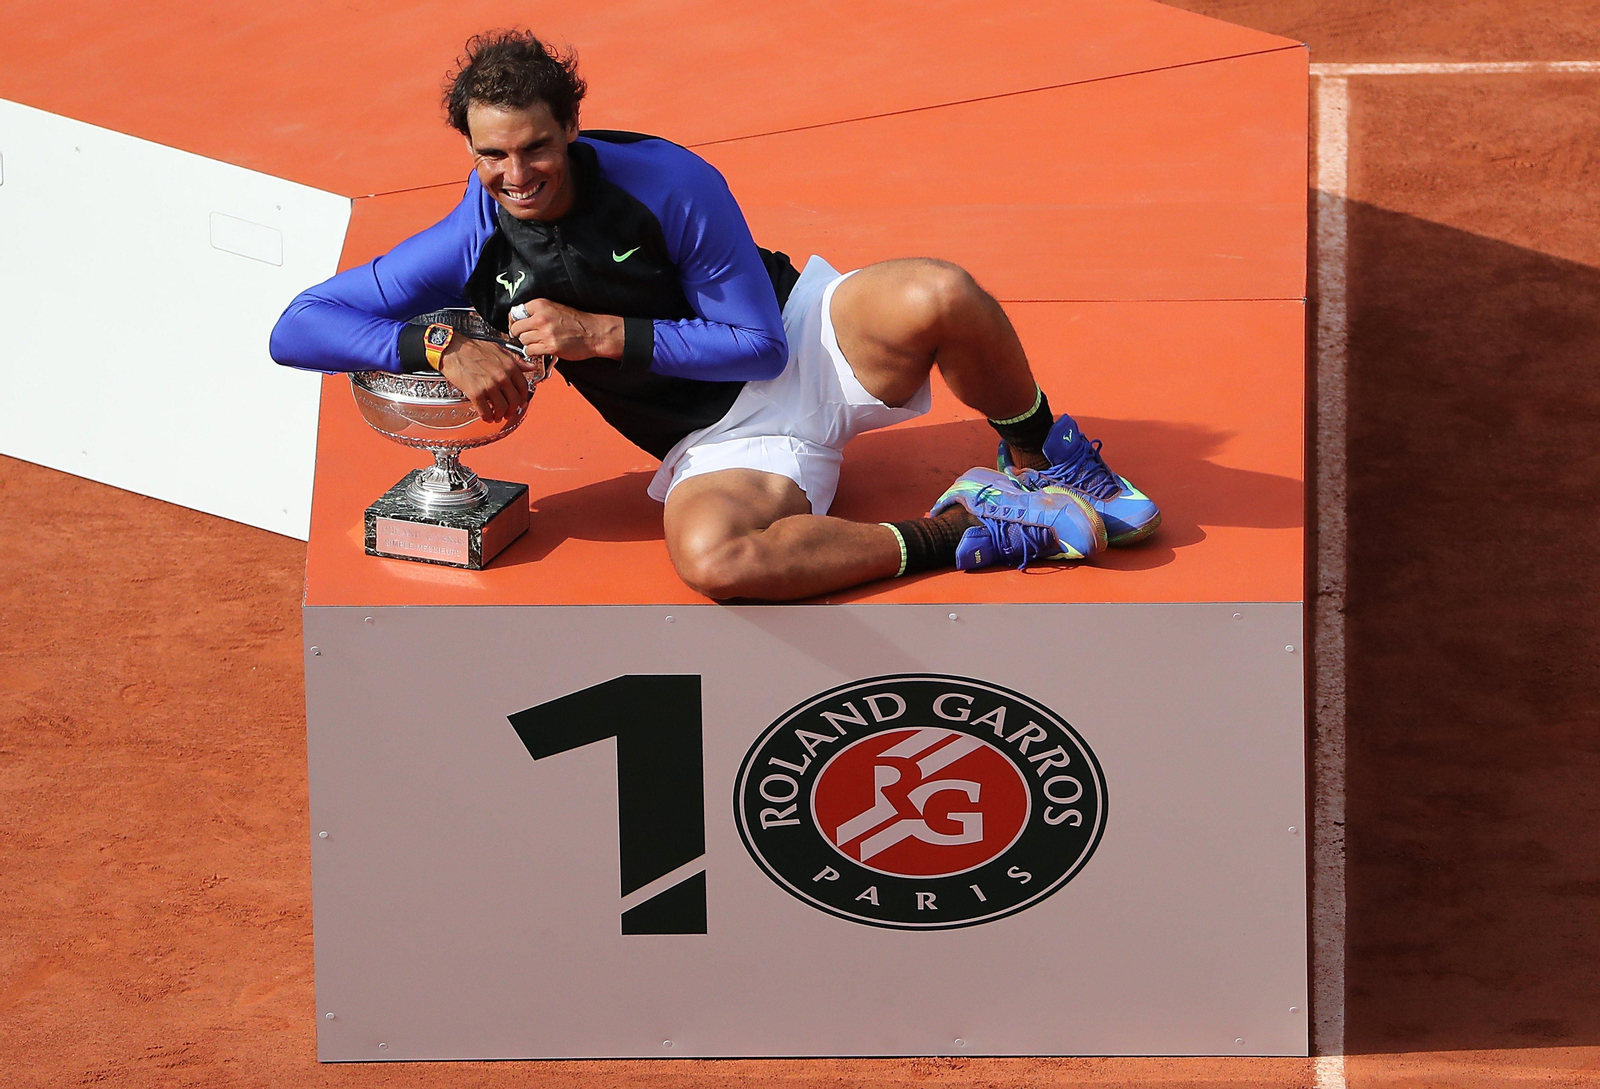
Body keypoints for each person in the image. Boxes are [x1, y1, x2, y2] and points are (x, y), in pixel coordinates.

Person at [269, 30, 1159, 601]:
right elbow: (297, 325)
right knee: (714, 561)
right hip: (727, 445)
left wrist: (599, 335)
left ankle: (1050, 458)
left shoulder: (669, 182)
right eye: (492, 154)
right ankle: (975, 528)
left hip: (806, 337)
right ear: (468, 148)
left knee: (941, 291)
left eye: (536, 145)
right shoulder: (470, 236)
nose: (517, 173)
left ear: (572, 127)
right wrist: (438, 337)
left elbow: (758, 345)